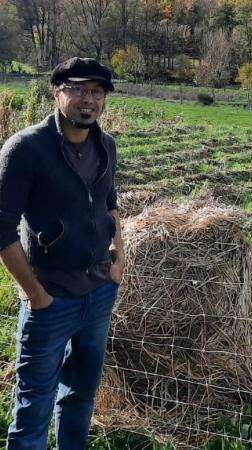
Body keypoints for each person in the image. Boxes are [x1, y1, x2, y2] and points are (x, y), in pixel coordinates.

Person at [0, 57, 124, 449]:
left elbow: (110, 202)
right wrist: (36, 294)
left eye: (96, 92)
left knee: (80, 396)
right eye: (78, 90)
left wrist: (120, 257)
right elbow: (1, 228)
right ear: (57, 94)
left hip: (100, 293)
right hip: (51, 301)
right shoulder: (26, 148)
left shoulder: (106, 145)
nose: (88, 100)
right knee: (34, 407)